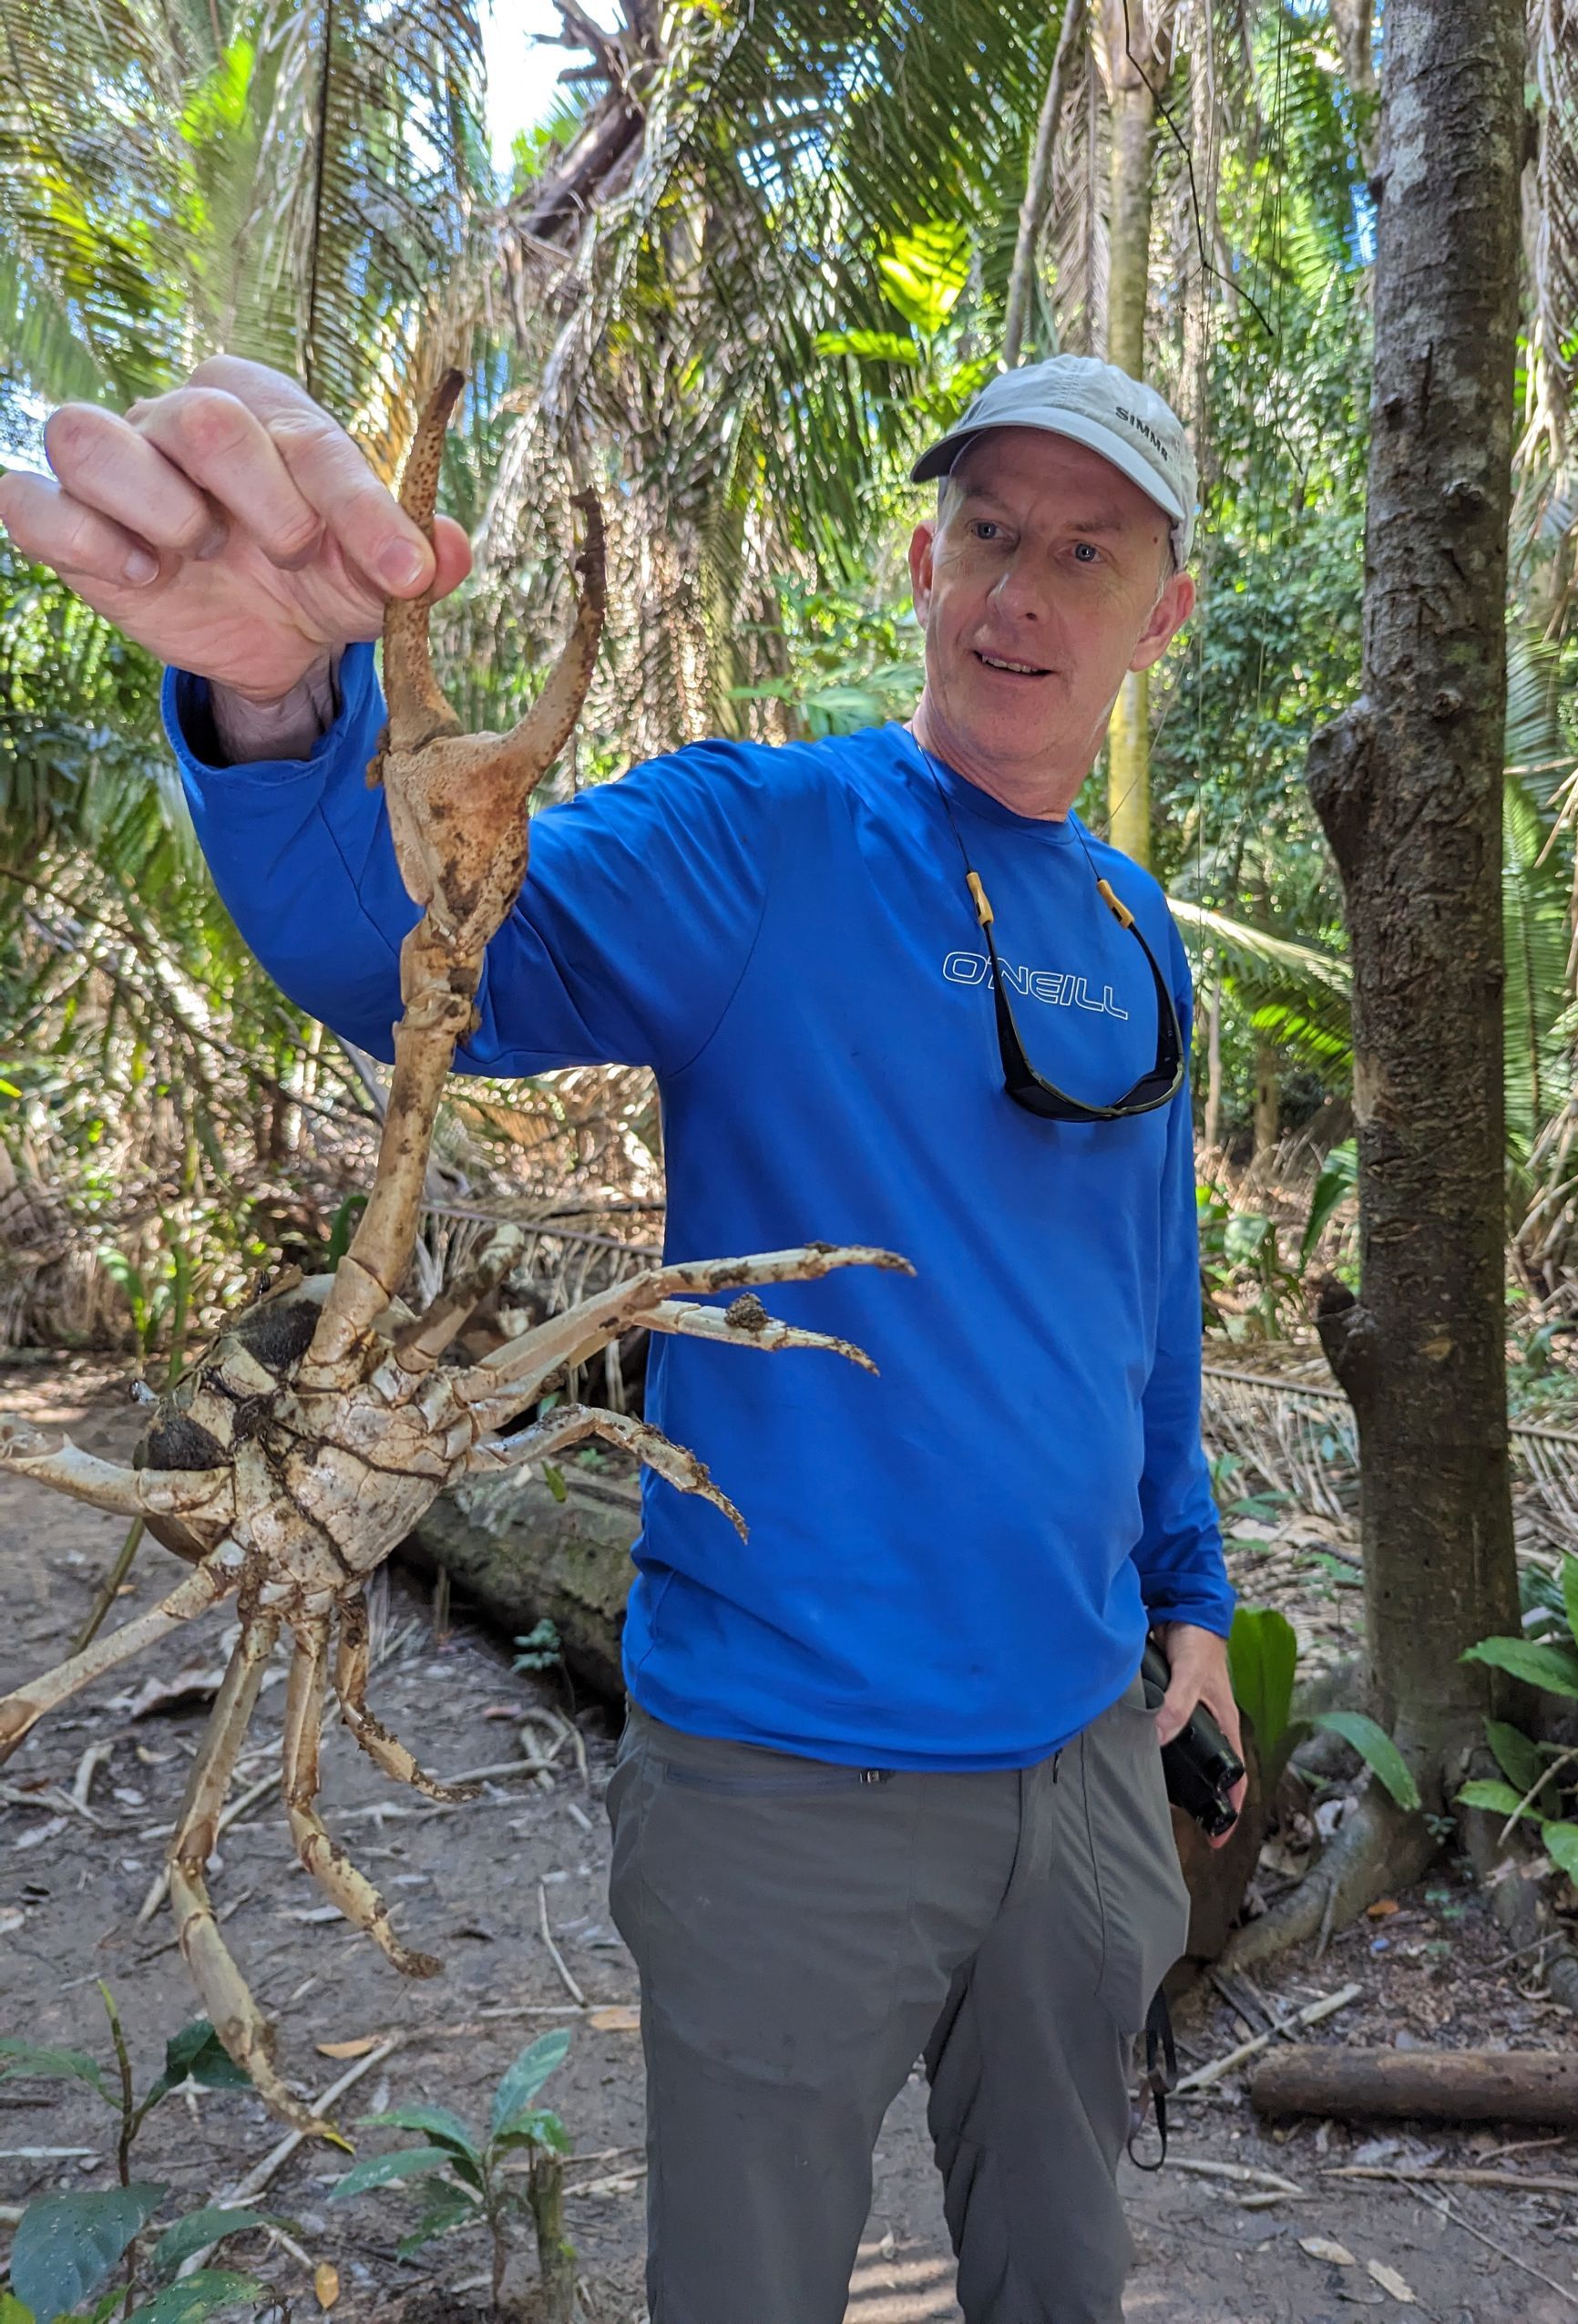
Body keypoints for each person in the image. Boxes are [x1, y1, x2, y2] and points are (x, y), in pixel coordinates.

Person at [0, 350, 1243, 2324]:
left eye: (1087, 552)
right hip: (787, 1781)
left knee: (1062, 2272)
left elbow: (1140, 1298)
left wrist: (1194, 1593)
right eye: (991, 534)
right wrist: (272, 703)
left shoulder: (1138, 929)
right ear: (924, 562)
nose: (1024, 592)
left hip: (1086, 1760)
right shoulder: (768, 841)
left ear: (1160, 612)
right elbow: (403, 952)